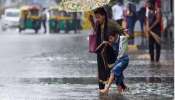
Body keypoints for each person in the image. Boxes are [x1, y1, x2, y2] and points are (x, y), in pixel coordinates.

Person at [88, 7, 124, 90]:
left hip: (110, 52)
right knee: (101, 72)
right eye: (96, 17)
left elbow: (121, 32)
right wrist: (92, 21)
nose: (97, 19)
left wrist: (113, 42)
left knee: (115, 70)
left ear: (104, 15)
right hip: (100, 51)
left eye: (98, 17)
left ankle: (121, 88)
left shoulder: (111, 23)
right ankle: (102, 90)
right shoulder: (97, 23)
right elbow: (96, 31)